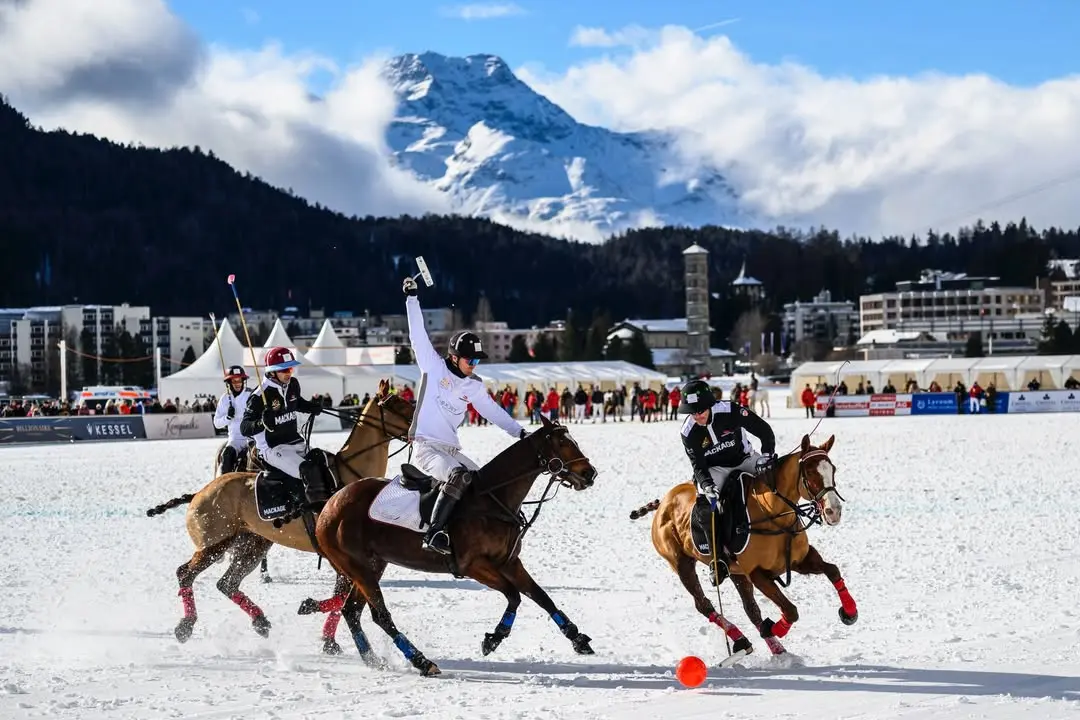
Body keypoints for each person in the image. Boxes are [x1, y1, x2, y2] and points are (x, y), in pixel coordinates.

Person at [402, 274, 527, 555]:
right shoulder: (433, 367)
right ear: (455, 357)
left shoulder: (473, 386)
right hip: (425, 447)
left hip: (450, 449)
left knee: (483, 482)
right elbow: (417, 335)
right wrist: (412, 298)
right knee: (458, 477)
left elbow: (493, 411)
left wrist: (519, 432)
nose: (474, 365)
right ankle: (434, 534)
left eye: (477, 360)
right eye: (470, 360)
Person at [678, 379, 777, 583]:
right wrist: (706, 485)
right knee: (707, 502)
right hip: (715, 469)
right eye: (692, 412)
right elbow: (698, 465)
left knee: (775, 475)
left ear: (710, 405)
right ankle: (717, 559)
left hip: (745, 459)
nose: (697, 415)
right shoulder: (688, 432)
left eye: (701, 410)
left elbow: (764, 430)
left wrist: (767, 455)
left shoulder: (730, 410)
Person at [240, 346, 331, 511]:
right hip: (272, 448)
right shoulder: (259, 396)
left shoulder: (293, 384)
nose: (289, 373)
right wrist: (262, 423)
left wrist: (312, 407)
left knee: (323, 460)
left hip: (295, 441)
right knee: (308, 471)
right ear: (272, 372)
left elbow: (297, 402)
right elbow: (244, 428)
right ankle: (316, 514)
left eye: (290, 368)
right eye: (284, 370)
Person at [213, 365, 253, 474]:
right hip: (235, 440)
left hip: (252, 438)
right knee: (226, 455)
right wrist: (227, 417)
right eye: (234, 381)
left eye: (239, 380)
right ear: (229, 382)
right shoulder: (224, 398)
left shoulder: (251, 395)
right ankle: (223, 485)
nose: (237, 383)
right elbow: (217, 423)